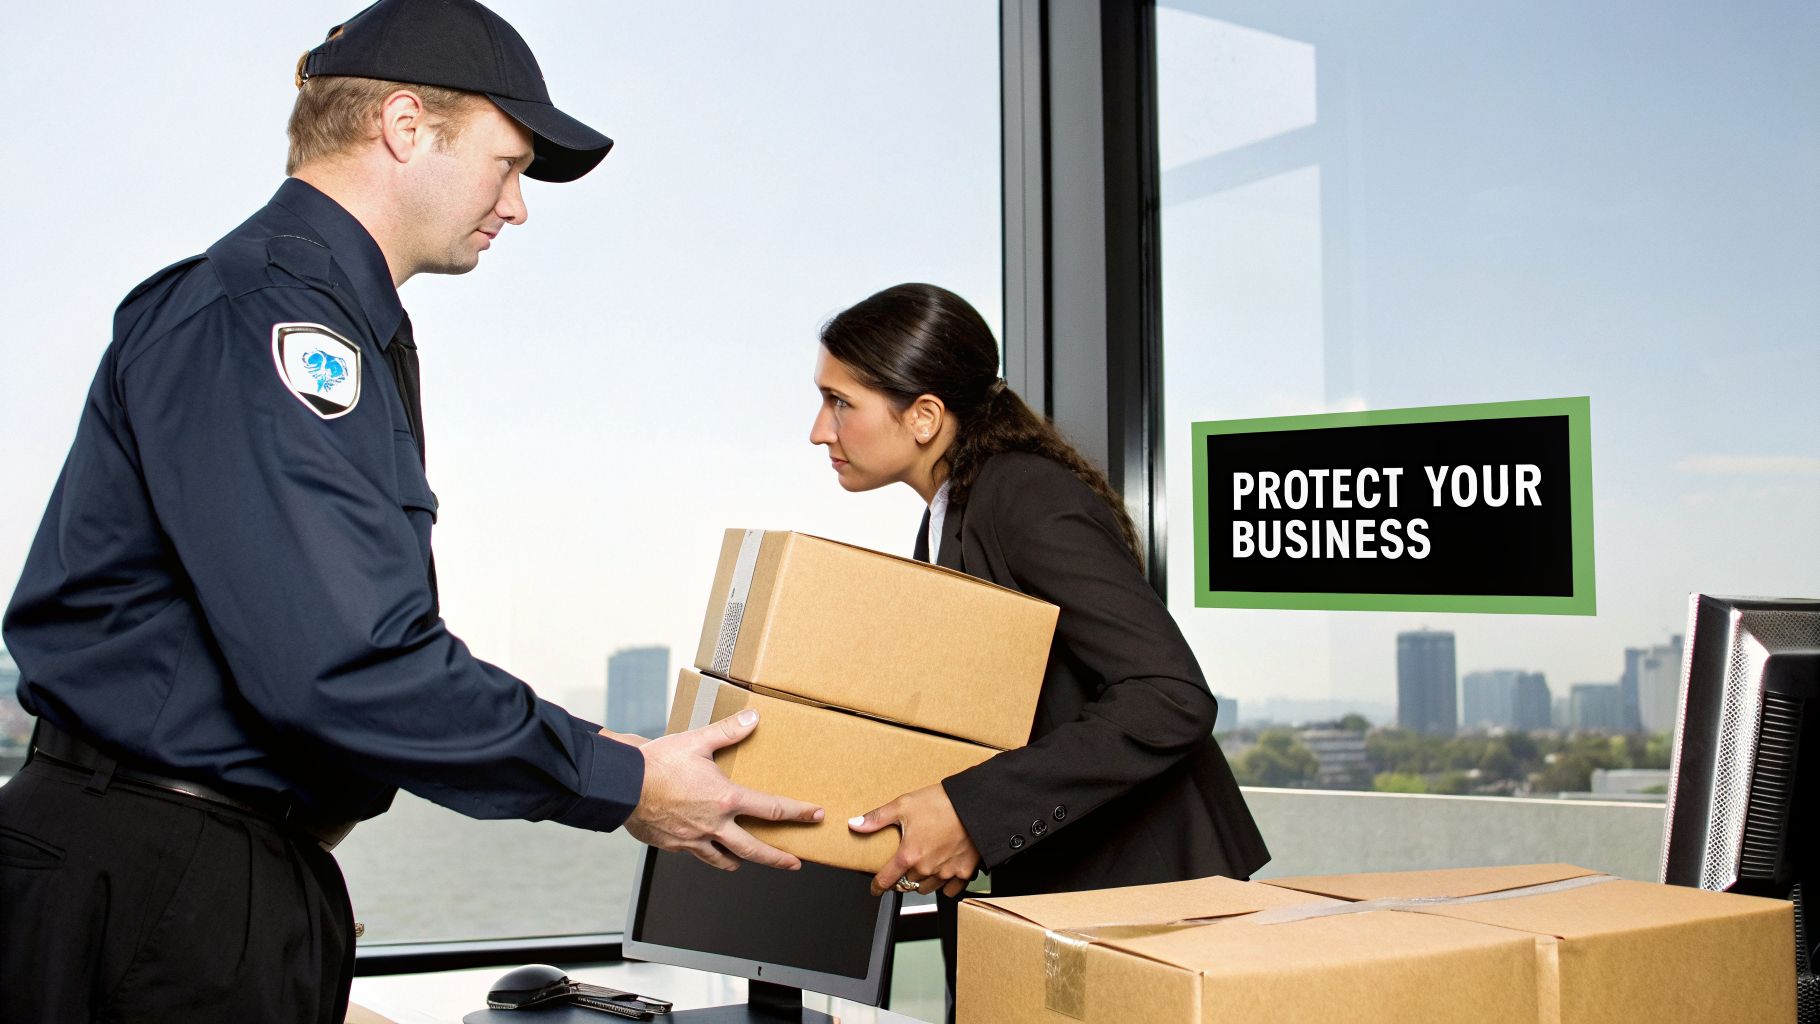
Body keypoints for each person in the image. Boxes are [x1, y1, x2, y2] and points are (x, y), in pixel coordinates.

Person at [0, 3, 819, 1021]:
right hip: (161, 885)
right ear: (403, 125)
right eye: (506, 163)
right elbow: (347, 661)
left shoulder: (321, 318)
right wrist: (621, 779)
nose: (515, 207)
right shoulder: (270, 317)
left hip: (196, 877)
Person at [810, 282, 1271, 1019]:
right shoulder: (947, 518)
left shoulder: (1023, 496)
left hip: (1144, 904)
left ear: (925, 416)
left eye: (840, 403)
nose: (818, 431)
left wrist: (969, 812)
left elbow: (1168, 693)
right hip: (1061, 902)